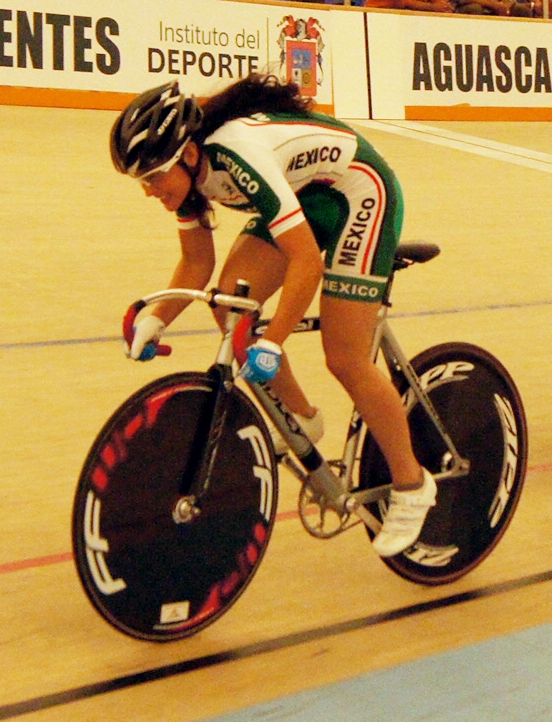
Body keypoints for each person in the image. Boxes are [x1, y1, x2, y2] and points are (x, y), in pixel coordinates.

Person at [111, 77, 437, 558]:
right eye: (143, 180)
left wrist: (273, 341)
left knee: (345, 357)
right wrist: (156, 320)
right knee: (228, 305)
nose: (149, 191)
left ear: (189, 155)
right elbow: (197, 263)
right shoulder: (189, 181)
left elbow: (305, 261)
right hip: (306, 195)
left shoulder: (238, 156)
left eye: (155, 176)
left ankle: (412, 486)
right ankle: (304, 418)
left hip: (360, 194)